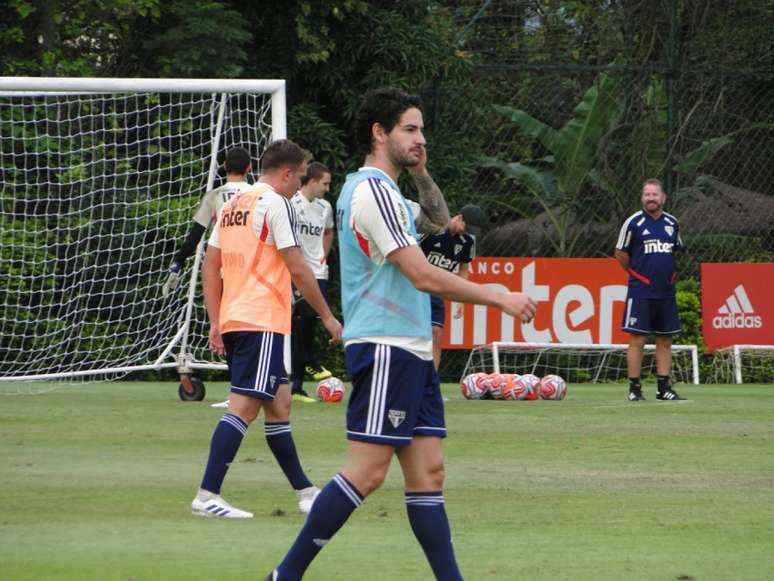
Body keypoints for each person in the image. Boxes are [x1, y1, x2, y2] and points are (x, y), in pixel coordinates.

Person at [266, 87, 537, 580]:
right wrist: (496, 294)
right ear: (379, 132)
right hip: (388, 345)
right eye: (410, 129)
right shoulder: (371, 192)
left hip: (410, 348)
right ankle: (284, 576)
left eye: (421, 129)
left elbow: (438, 220)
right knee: (367, 473)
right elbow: (422, 275)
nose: (420, 137)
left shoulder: (388, 193)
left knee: (428, 474)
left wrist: (419, 169)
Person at [191, 139, 342, 519]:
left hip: (241, 317)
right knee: (244, 408)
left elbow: (211, 267)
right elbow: (296, 265)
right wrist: (326, 315)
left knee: (280, 404)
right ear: (288, 173)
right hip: (260, 319)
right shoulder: (275, 203)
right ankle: (208, 494)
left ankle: (306, 492)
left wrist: (215, 319)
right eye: (300, 177)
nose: (299, 186)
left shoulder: (232, 205)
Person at [615, 178, 684, 402]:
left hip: (666, 292)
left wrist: (671, 276)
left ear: (663, 198)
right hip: (641, 291)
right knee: (637, 340)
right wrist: (638, 276)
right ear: (642, 198)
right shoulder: (633, 223)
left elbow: (677, 251)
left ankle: (663, 388)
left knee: (665, 340)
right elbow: (621, 253)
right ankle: (635, 389)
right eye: (647, 195)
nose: (651, 198)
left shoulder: (672, 223)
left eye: (655, 194)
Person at [161, 146, 253, 297]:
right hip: (254, 273)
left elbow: (196, 234)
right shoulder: (260, 195)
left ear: (224, 166)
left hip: (224, 272)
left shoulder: (214, 196)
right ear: (249, 167)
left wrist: (178, 263)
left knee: (222, 319)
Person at [289, 162, 335, 403]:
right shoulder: (291, 204)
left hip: (319, 271)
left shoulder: (324, 207)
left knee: (309, 324)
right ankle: (311, 362)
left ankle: (297, 386)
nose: (327, 188)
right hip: (298, 272)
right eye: (325, 183)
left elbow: (328, 232)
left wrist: (322, 255)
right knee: (302, 320)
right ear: (313, 181)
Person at [418, 204, 484, 369]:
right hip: (414, 289)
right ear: (459, 217)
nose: (466, 231)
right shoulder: (431, 230)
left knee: (436, 333)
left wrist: (461, 299)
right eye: (466, 227)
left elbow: (463, 270)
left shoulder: (467, 242)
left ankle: (430, 384)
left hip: (436, 292)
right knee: (409, 336)